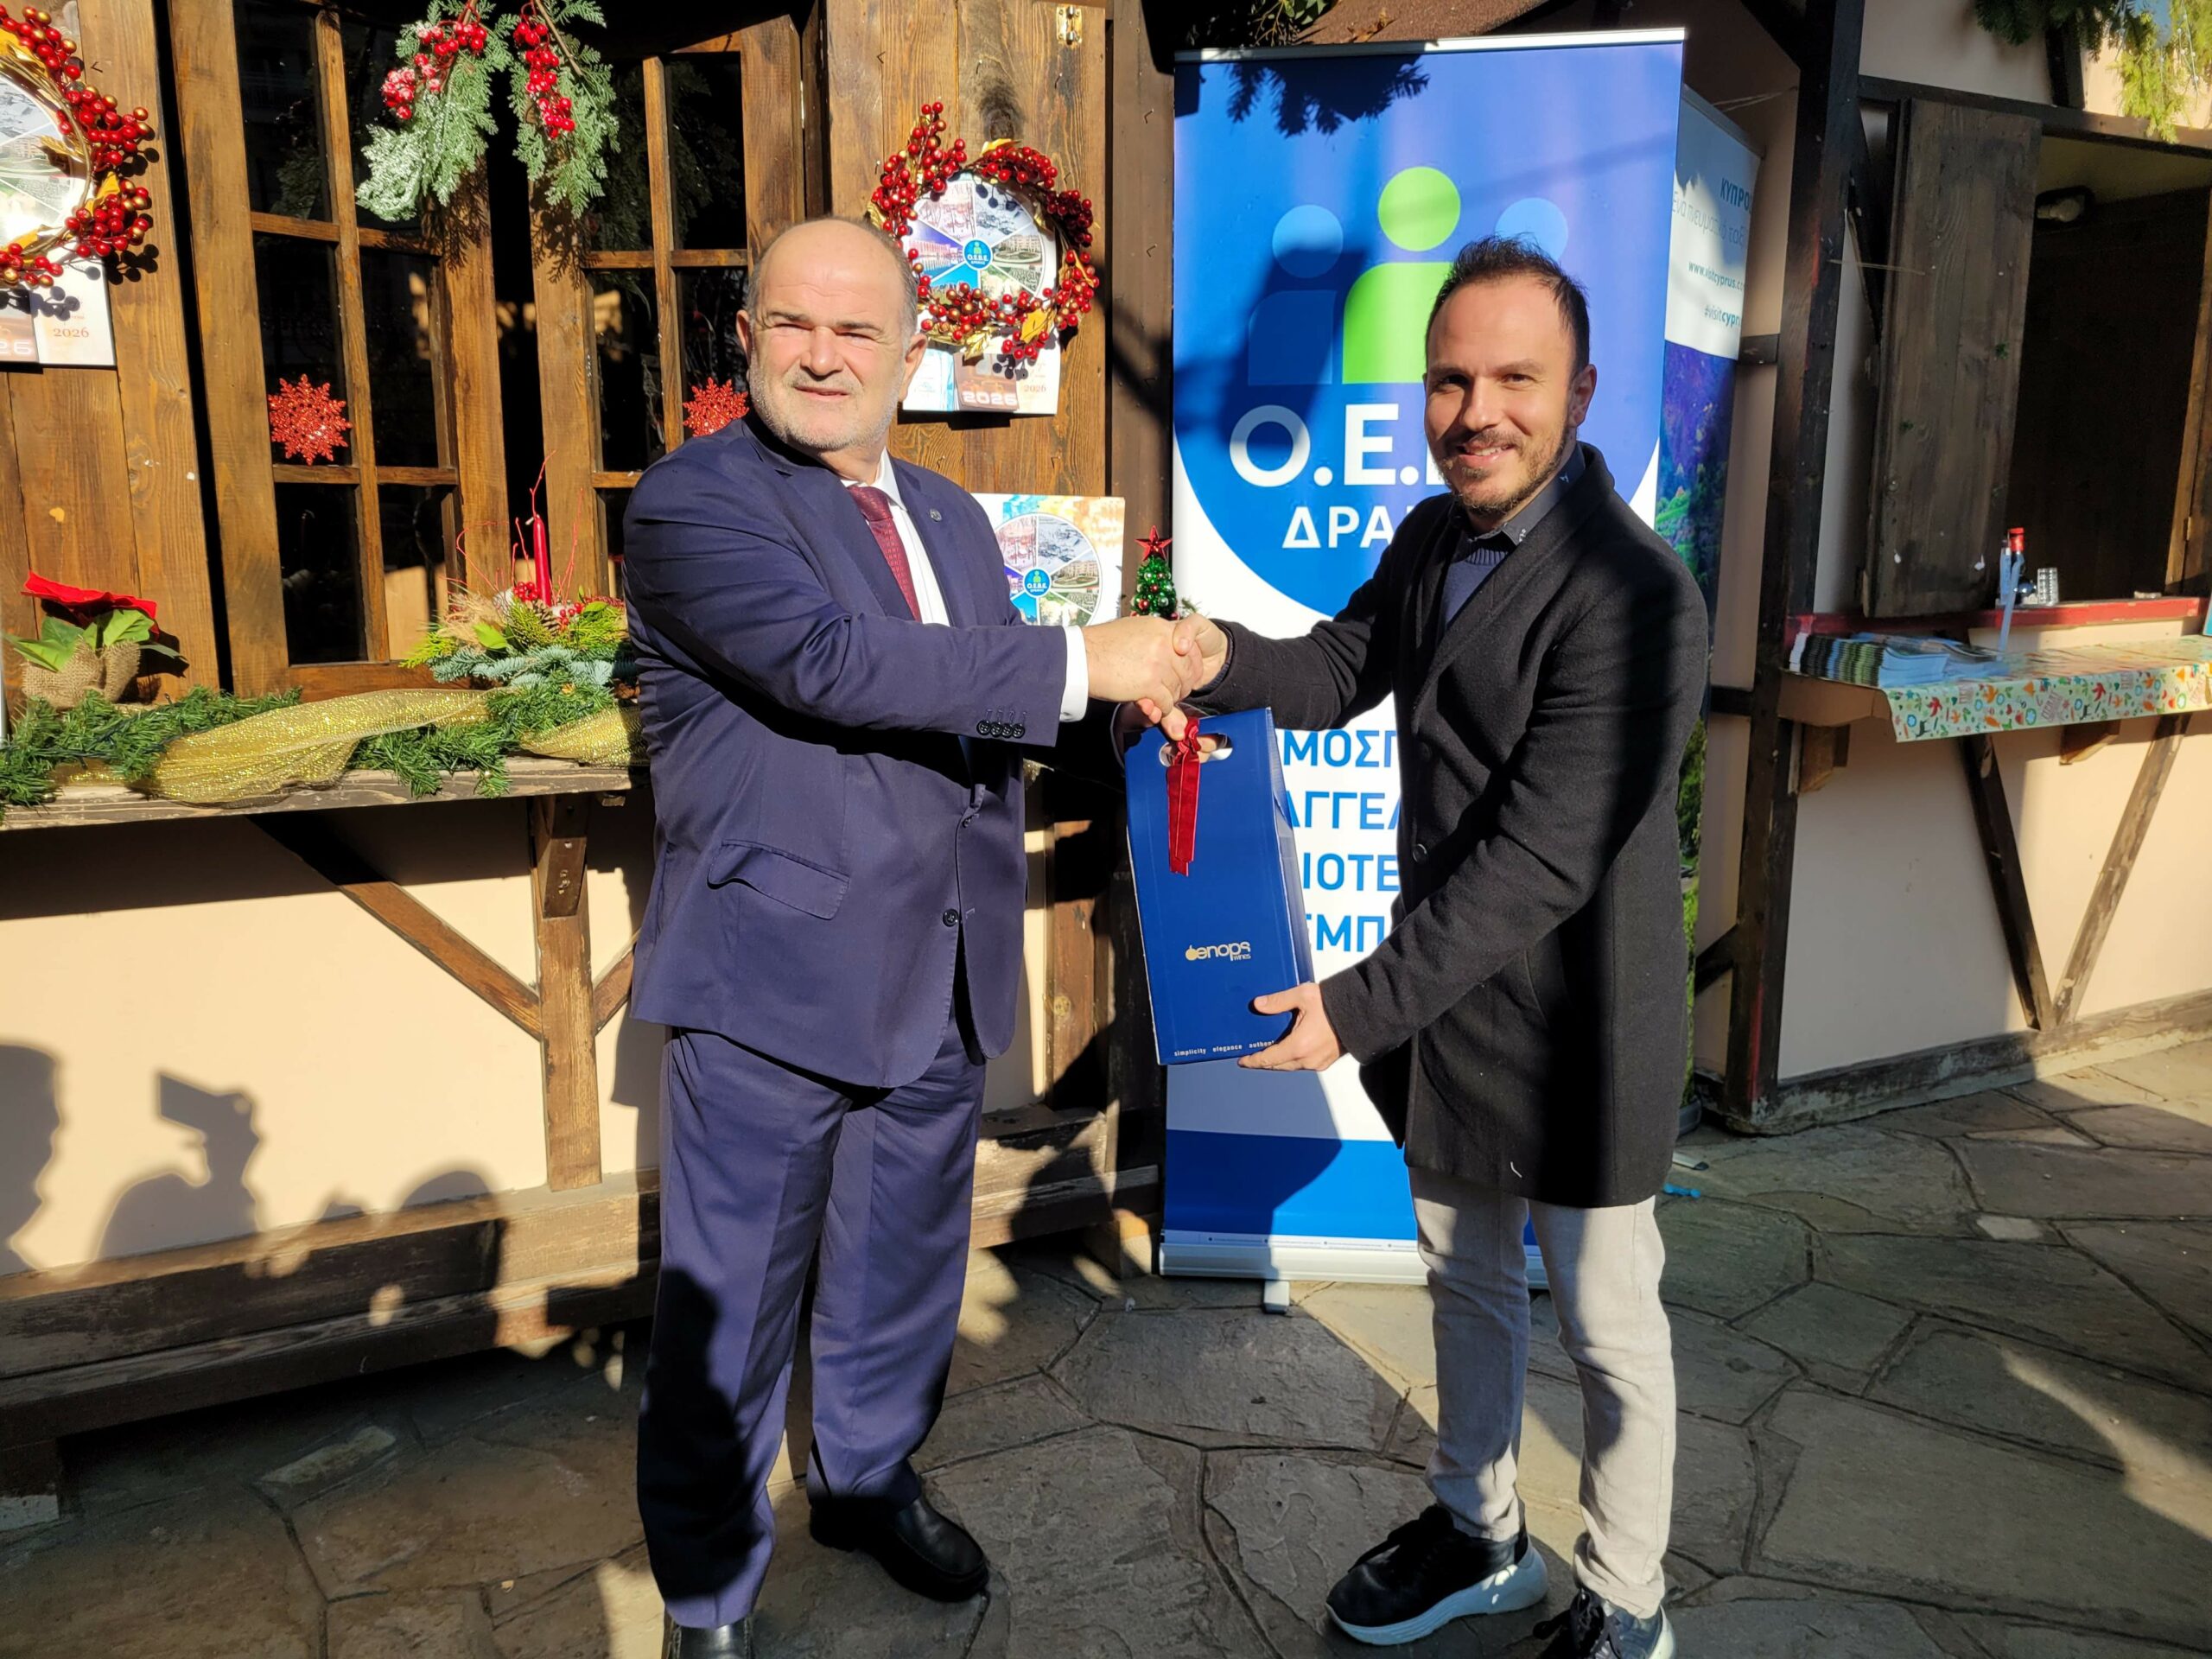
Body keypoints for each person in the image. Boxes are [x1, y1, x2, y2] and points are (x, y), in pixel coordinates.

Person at [620, 214, 1206, 1659]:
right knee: (727, 1321)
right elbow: (832, 665)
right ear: (745, 339)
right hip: (771, 988)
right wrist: (1083, 657)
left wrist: (1120, 713)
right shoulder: (696, 504)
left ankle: (866, 1482)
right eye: (794, 324)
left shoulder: (947, 513)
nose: (824, 356)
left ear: (908, 352)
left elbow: (971, 711)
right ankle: (708, 1600)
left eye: (858, 329)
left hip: (943, 972)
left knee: (901, 1272)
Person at [1179, 237, 1708, 1658]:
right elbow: (1340, 668)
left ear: (1581, 391)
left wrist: (1354, 1008)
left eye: (1515, 380)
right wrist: (1206, 655)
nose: (1477, 413)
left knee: (1608, 1331)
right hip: (1456, 1021)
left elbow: (1541, 857)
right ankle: (1481, 1532)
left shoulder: (1636, 595)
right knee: (1467, 1288)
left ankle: (1628, 1604)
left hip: (1582, 1036)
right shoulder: (1432, 538)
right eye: (1451, 381)